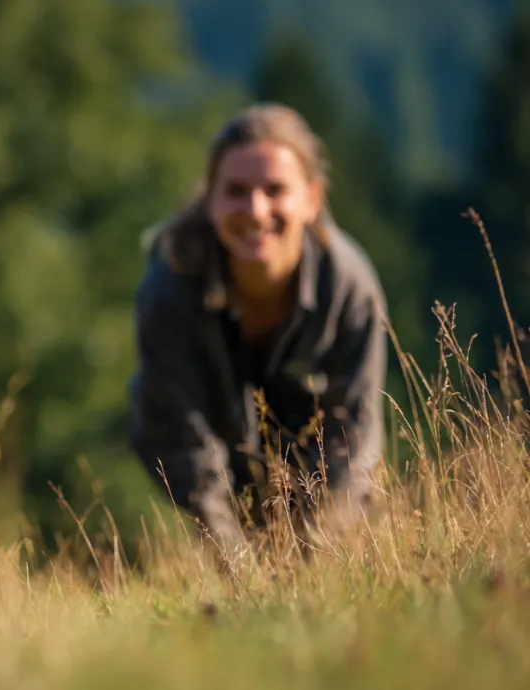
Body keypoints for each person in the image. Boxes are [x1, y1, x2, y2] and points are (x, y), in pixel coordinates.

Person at [128, 102, 388, 555]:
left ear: (312, 199)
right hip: (211, 446)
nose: (255, 209)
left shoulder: (349, 286)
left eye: (275, 189)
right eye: (236, 191)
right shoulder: (169, 289)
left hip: (313, 465)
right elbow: (186, 447)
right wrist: (237, 566)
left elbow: (355, 438)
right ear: (211, 200)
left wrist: (320, 557)